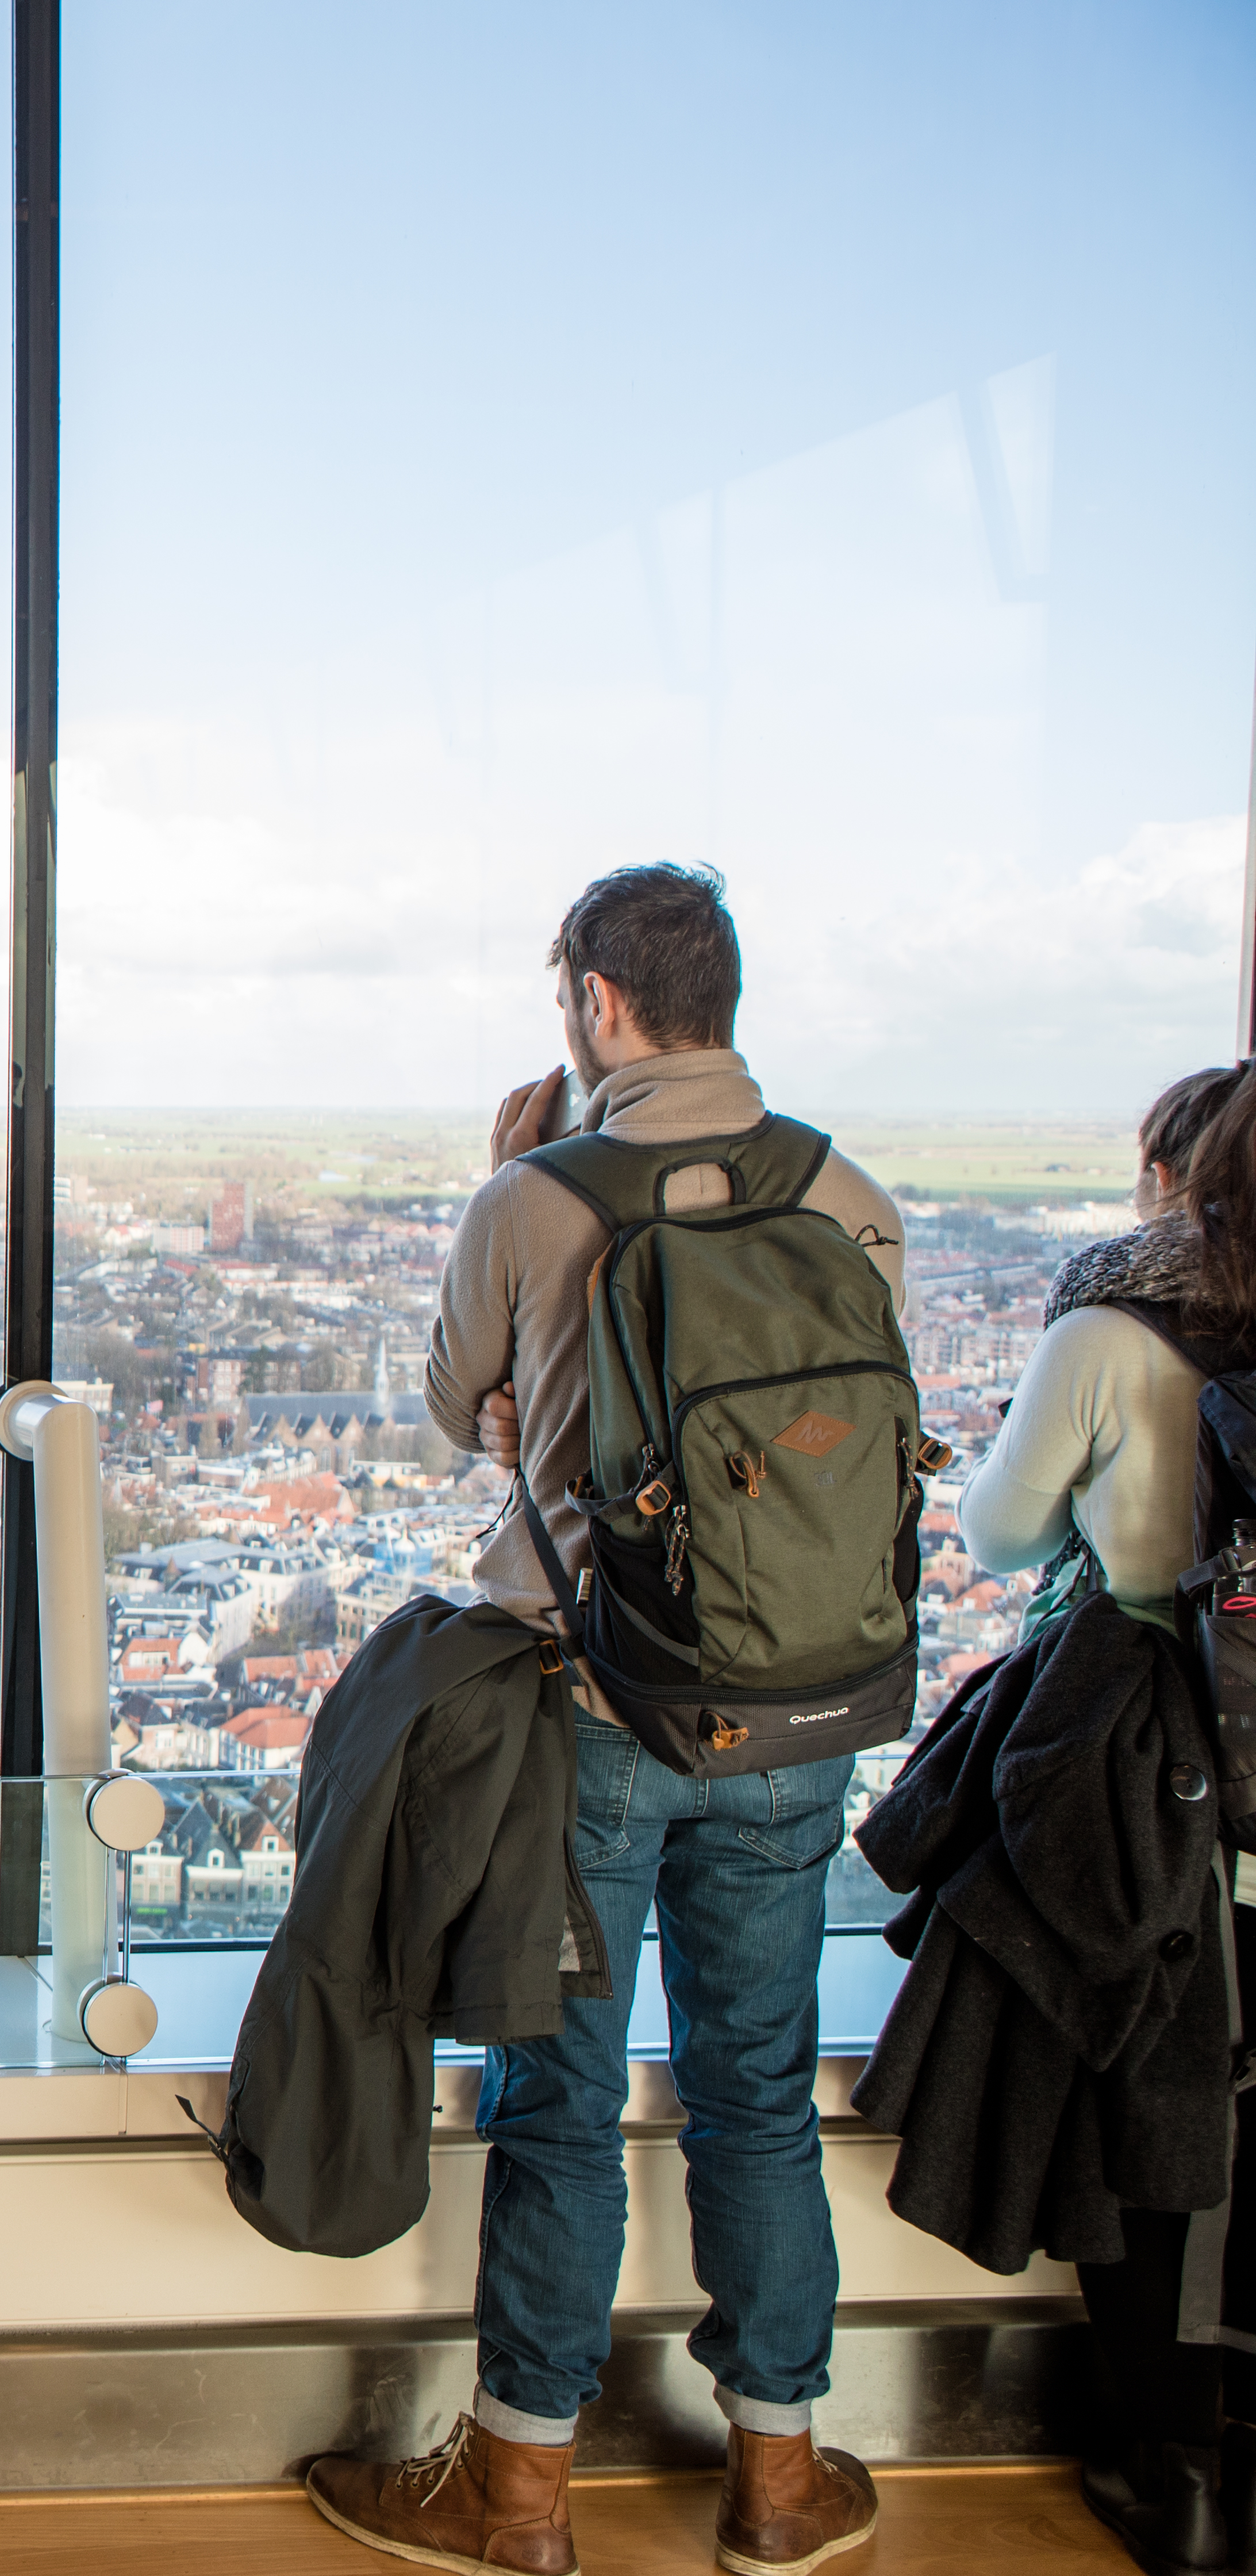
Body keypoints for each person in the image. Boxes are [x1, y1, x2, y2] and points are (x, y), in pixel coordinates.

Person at [308, 864, 903, 2576]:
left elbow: (448, 1413)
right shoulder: (852, 1195)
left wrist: (522, 1351)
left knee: (559, 2099)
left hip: (598, 1708)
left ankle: (519, 2498)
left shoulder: (536, 1198)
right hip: (801, 1714)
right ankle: (780, 2483)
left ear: (597, 1005)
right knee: (760, 2092)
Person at [955, 1061, 1255, 2575]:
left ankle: (1175, 2476)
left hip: (1157, 1761)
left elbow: (999, 1532)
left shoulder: (1112, 1323)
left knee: (1158, 2117)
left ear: (1173, 1177)